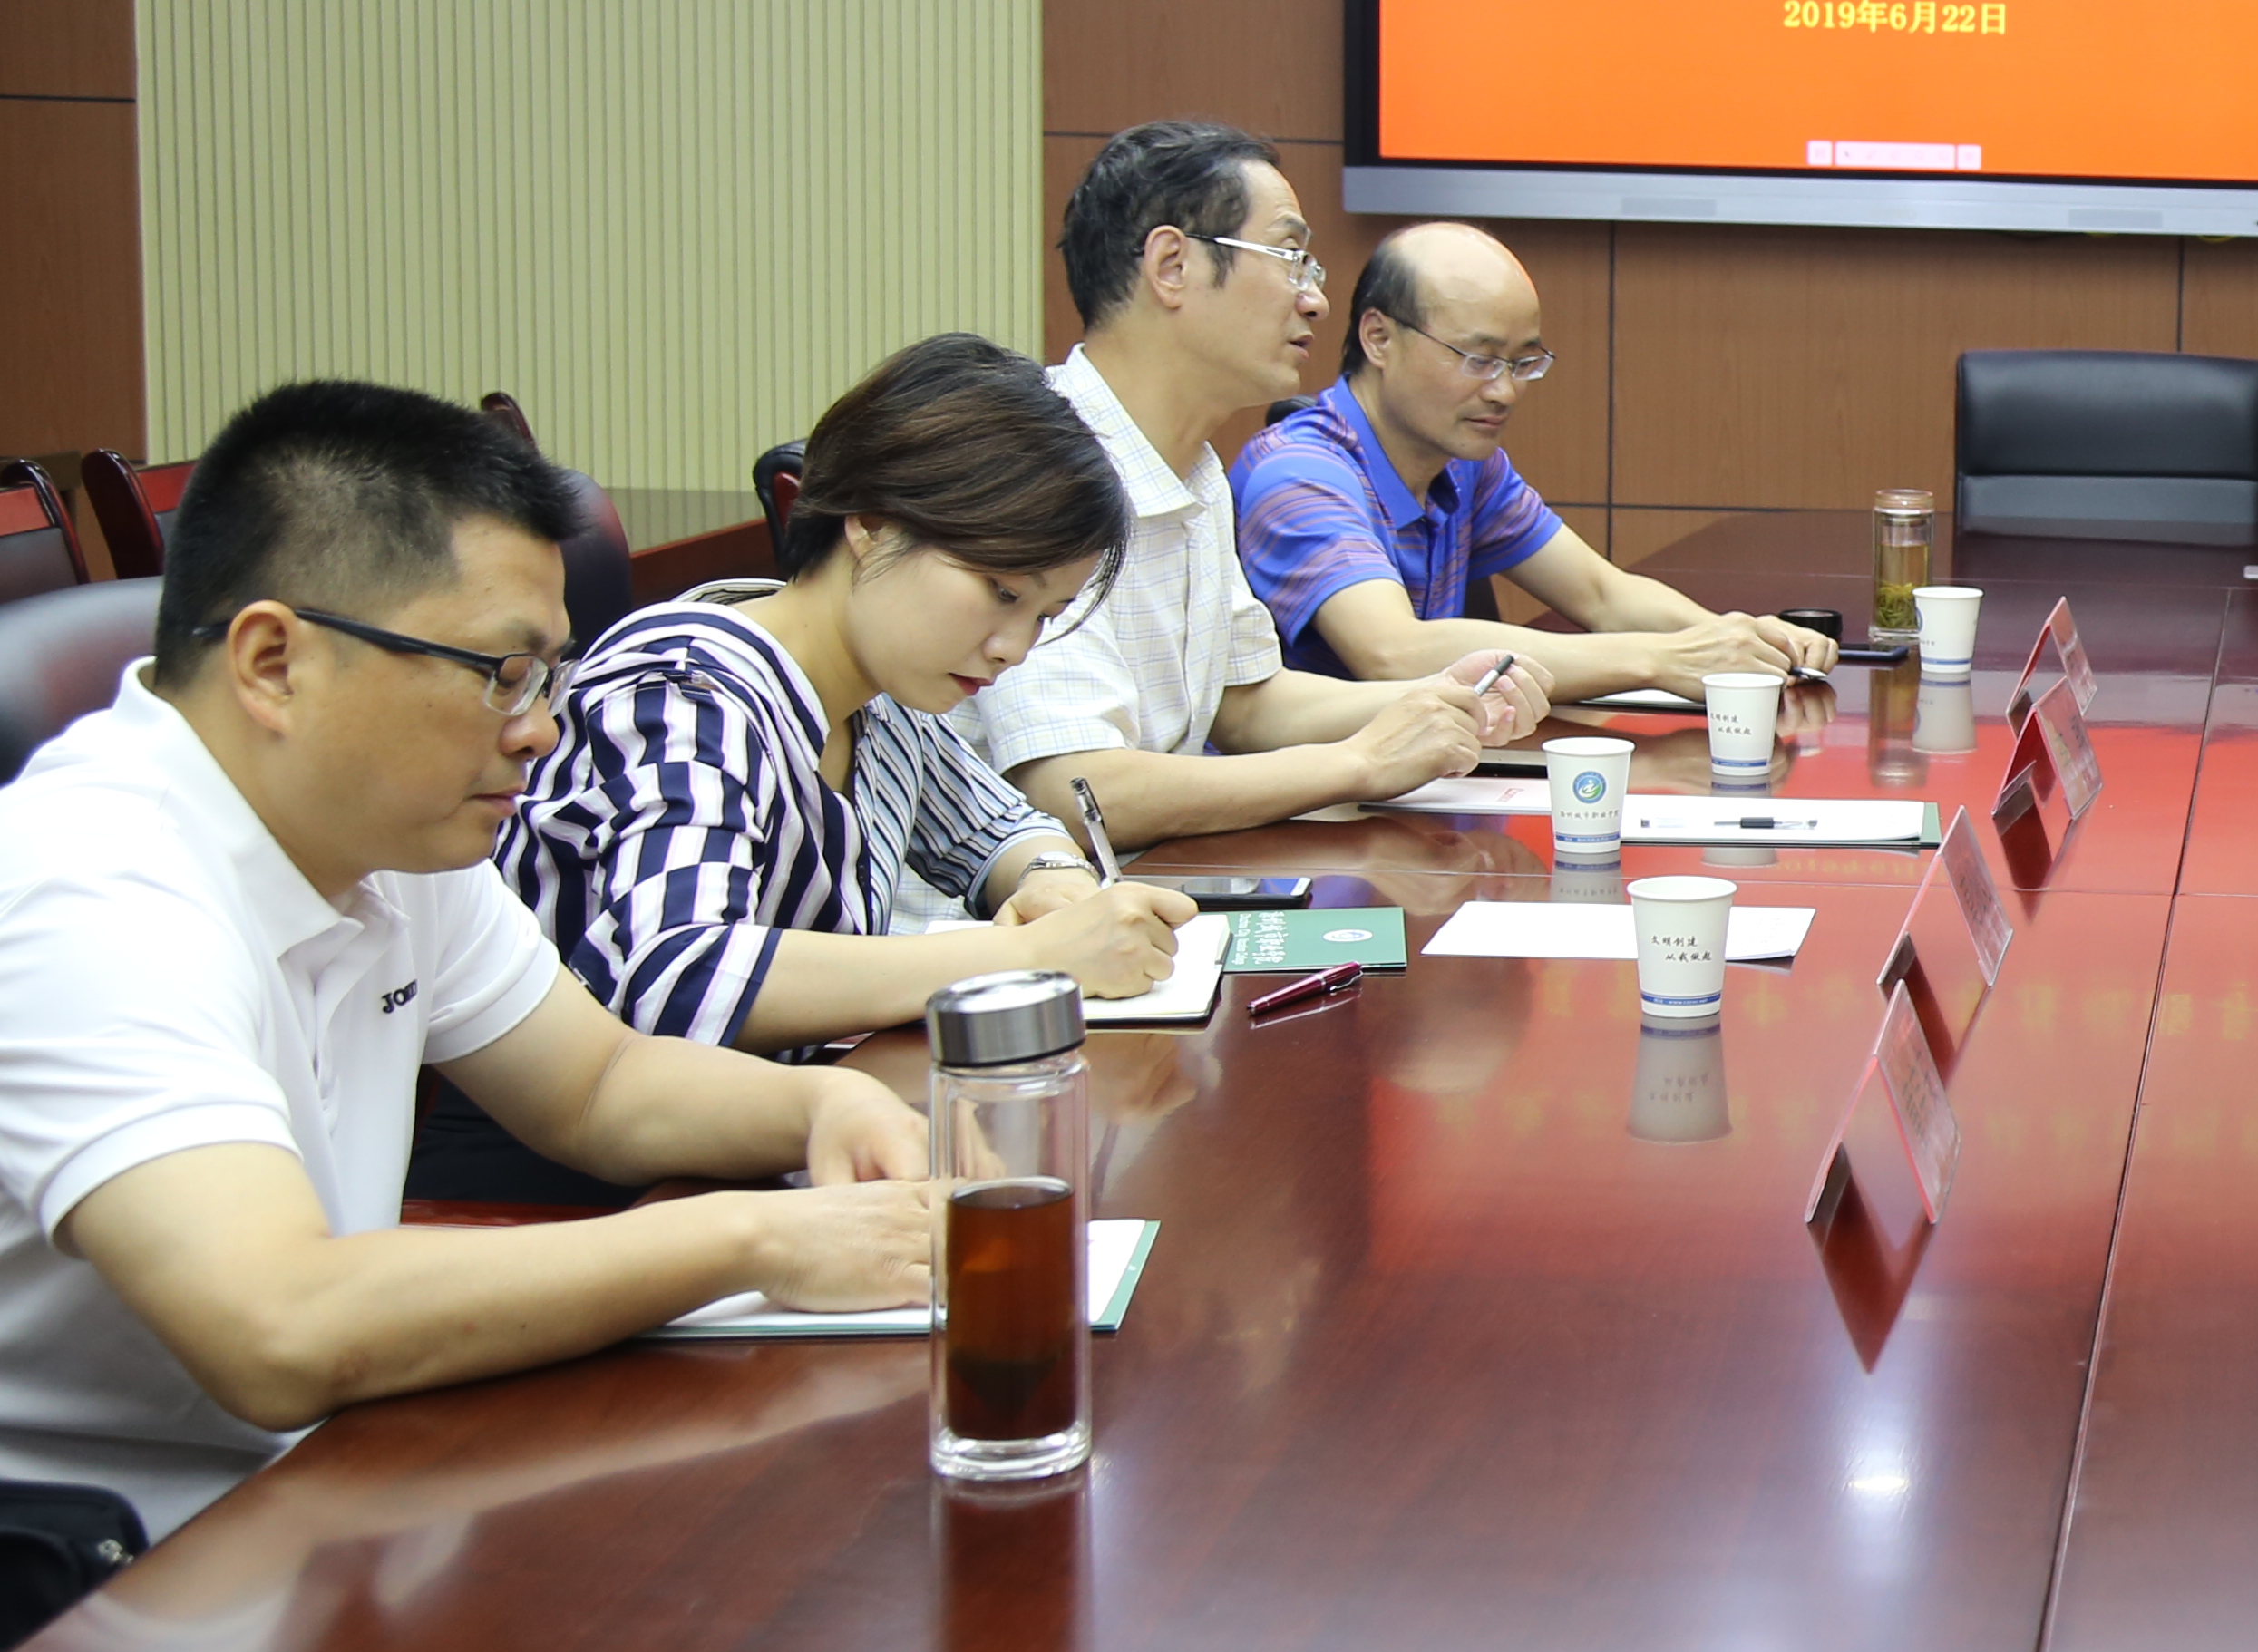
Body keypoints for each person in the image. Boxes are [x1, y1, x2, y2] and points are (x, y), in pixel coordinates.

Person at [0, 384, 931, 1553]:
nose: (540, 728)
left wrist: (825, 1106)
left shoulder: (389, 830)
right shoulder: (87, 891)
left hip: (330, 1486)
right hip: (106, 1572)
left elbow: (597, 1085)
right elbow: (276, 1326)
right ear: (274, 663)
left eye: (547, 676)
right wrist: (758, 1240)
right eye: (502, 673)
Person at [471, 336, 1200, 1204]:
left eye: (1046, 614)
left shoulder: (879, 694)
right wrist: (1027, 953)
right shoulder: (687, 690)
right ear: (872, 523)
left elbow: (1000, 829)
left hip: (767, 1155)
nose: (1015, 647)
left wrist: (1053, 883)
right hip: (570, 1193)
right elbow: (684, 974)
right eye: (1002, 591)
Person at [976, 121, 1553, 846]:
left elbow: (1245, 704)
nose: (1315, 301)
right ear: (1172, 265)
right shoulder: (1041, 463)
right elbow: (1079, 788)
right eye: (1290, 258)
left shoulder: (1194, 471)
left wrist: (1440, 695)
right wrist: (1358, 764)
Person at [1231, 222, 1835, 698]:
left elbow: (1603, 594)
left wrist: (1737, 638)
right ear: (1379, 338)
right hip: (1303, 804)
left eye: (1523, 363)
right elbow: (1393, 652)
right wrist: (1662, 659)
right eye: (1478, 359)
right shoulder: (1299, 473)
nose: (1505, 391)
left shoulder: (1464, 465)